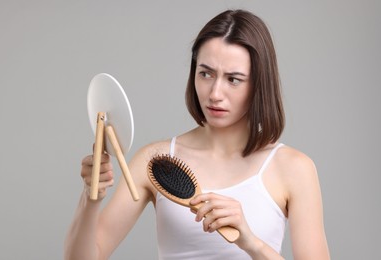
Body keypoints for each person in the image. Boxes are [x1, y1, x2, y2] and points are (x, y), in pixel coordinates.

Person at [65, 9, 330, 260]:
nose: (215, 93)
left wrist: (250, 242)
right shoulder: (156, 161)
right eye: (206, 74)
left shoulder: (294, 169)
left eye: (233, 79)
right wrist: (90, 198)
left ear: (259, 83)